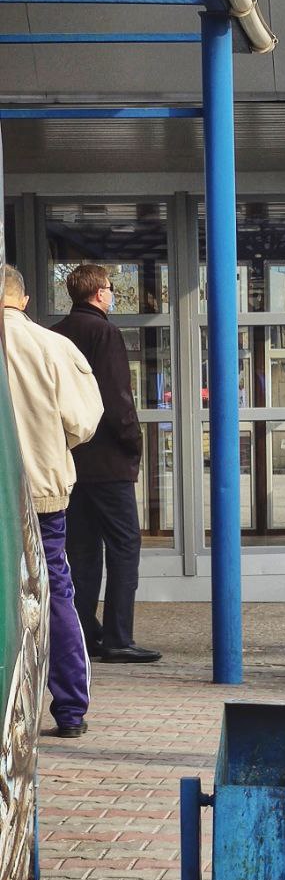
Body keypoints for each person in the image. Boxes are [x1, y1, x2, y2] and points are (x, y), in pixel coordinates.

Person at [2, 266, 104, 737]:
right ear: (21, 300)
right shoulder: (52, 345)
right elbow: (84, 420)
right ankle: (69, 709)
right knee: (55, 590)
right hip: (42, 493)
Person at [54, 264, 161, 663]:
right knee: (123, 546)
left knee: (81, 551)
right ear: (100, 293)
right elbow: (117, 397)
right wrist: (133, 443)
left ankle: (83, 632)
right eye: (111, 288)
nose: (113, 294)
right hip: (108, 463)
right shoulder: (106, 333)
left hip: (72, 460)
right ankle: (119, 637)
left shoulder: (57, 334)